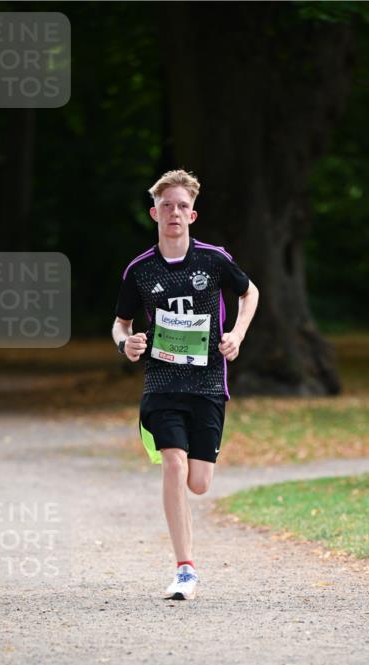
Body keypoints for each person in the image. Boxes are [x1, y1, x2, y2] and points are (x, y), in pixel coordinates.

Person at [112, 169, 259, 599]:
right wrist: (128, 345)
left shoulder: (213, 259)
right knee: (174, 464)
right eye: (167, 206)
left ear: (192, 215)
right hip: (161, 383)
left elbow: (250, 293)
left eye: (182, 206)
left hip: (209, 382)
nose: (174, 212)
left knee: (199, 482)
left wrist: (238, 334)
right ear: (153, 213)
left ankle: (186, 563)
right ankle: (185, 569)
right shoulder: (140, 270)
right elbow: (121, 325)